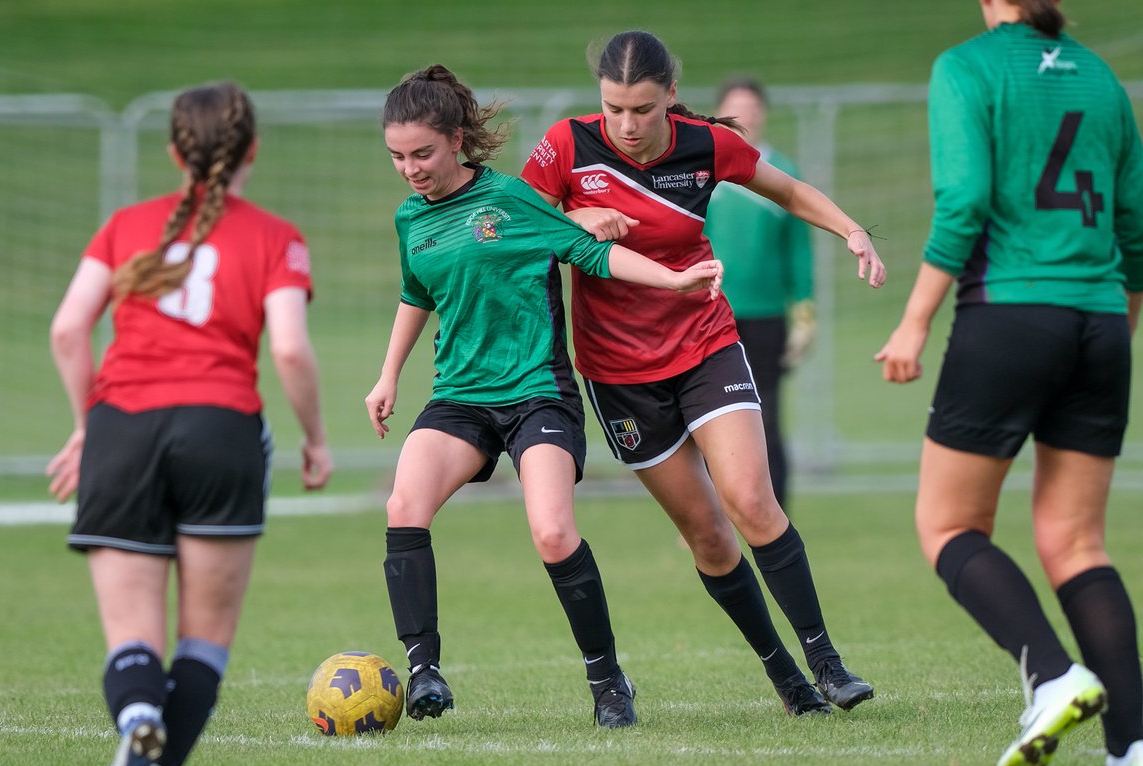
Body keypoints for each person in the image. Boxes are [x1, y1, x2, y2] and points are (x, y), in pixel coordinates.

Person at [520, 29, 883, 716]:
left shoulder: (705, 145)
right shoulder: (567, 144)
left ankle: (828, 662)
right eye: (614, 108)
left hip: (705, 341)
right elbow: (516, 217)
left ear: (672, 97)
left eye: (643, 109)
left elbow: (789, 191)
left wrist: (852, 229)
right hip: (618, 372)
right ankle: (785, 678)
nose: (626, 125)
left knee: (750, 500)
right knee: (710, 536)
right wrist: (574, 214)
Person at [366, 64, 723, 730]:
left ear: (455, 142)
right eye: (397, 156)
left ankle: (608, 680)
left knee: (553, 532)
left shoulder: (511, 201)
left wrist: (674, 282)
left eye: (422, 153)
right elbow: (417, 293)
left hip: (538, 393)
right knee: (404, 505)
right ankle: (423, 672)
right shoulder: (410, 219)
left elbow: (591, 252)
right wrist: (388, 376)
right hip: (462, 397)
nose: (410, 168)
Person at [875, 0, 1143, 766]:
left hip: (1010, 317)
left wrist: (914, 324)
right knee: (1078, 543)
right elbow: (1134, 226)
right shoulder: (1099, 76)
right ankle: (1134, 748)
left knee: (948, 523)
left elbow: (963, 204)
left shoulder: (967, 67)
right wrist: (1115, 324)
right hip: (1099, 322)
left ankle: (1055, 676)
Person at [46, 81, 332, 766]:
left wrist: (89, 426)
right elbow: (292, 351)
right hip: (220, 431)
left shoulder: (124, 226)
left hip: (123, 429)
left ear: (174, 151)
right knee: (203, 639)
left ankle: (138, 716)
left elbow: (67, 329)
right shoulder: (276, 236)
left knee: (131, 635)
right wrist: (315, 439)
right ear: (253, 151)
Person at [703, 76, 814, 508]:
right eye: (735, 107)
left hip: (767, 315)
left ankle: (775, 512)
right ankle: (714, 514)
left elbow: (799, 251)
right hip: (712, 312)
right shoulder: (702, 172)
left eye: (752, 107)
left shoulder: (783, 172)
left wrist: (804, 309)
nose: (745, 115)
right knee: (711, 416)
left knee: (766, 414)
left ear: (763, 113)